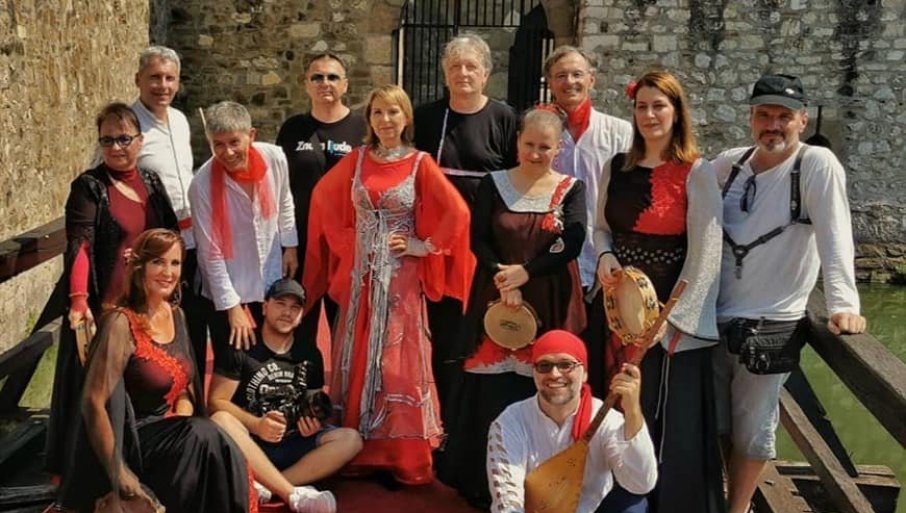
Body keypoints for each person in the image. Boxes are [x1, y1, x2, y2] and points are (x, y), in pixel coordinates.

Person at [303, 84, 474, 485]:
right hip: (361, 279)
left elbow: (458, 213)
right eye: (378, 113)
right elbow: (323, 198)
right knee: (358, 353)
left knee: (395, 362)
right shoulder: (358, 159)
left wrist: (422, 246)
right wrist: (348, 244)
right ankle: (356, 445)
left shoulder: (420, 163)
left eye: (393, 112)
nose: (385, 120)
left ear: (406, 117)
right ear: (370, 119)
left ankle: (397, 451)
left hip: (400, 279)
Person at [711, 74, 867, 513]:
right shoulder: (729, 165)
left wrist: (843, 305)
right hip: (713, 318)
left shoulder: (816, 164)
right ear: (751, 118)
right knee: (718, 423)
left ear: (802, 120)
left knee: (754, 431)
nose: (773, 125)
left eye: (784, 116)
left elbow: (836, 234)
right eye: (764, 115)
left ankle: (737, 509)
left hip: (770, 323)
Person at [593, 71, 725, 513]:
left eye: (658, 106)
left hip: (671, 318)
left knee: (663, 415)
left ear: (676, 112)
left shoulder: (696, 172)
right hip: (618, 309)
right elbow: (601, 229)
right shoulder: (616, 166)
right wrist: (604, 256)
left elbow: (706, 254)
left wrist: (670, 323)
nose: (649, 115)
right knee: (615, 403)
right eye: (641, 106)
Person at [442, 108, 587, 508]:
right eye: (529, 144)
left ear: (558, 148)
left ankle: (541, 483)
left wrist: (527, 273)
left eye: (545, 147)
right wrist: (504, 278)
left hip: (550, 297)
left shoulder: (571, 188)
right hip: (496, 293)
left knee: (543, 384)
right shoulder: (495, 183)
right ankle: (482, 482)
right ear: (517, 142)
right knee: (491, 390)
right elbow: (479, 238)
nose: (536, 153)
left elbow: (572, 242)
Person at [64, 228, 252, 512]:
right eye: (158, 262)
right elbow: (93, 402)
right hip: (130, 441)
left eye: (175, 263)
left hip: (171, 435)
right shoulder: (119, 323)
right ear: (140, 267)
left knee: (204, 435)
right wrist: (120, 472)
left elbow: (186, 388)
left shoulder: (177, 315)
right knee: (203, 436)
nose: (168, 272)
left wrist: (180, 423)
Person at [46, 103, 178, 498]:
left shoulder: (151, 182)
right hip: (109, 312)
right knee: (105, 400)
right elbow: (80, 246)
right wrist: (78, 299)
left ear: (140, 140)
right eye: (107, 140)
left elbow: (169, 236)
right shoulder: (89, 187)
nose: (117, 147)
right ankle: (104, 483)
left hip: (148, 309)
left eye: (124, 138)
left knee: (150, 391)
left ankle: (152, 469)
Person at [413, 33, 519, 437]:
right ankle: (443, 423)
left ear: (486, 74)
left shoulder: (504, 118)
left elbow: (514, 181)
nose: (463, 73)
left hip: (484, 247)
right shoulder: (426, 118)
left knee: (480, 334)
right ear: (445, 74)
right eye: (455, 66)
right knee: (443, 337)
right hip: (438, 248)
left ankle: (478, 423)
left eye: (471, 66)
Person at [209, 278, 363, 513]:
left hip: (293, 442)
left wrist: (313, 422)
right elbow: (215, 402)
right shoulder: (243, 346)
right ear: (264, 307)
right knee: (220, 419)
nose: (287, 313)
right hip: (250, 444)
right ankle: (291, 493)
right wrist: (257, 424)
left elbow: (314, 403)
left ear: (301, 315)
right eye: (280, 304)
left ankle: (269, 484)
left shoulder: (309, 353)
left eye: (295, 308)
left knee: (351, 439)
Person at [543, 46, 633, 396]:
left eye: (577, 74)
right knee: (559, 350)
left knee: (601, 354)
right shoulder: (542, 133)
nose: (570, 81)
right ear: (550, 83)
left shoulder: (619, 132)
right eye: (560, 76)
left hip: (605, 258)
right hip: (556, 259)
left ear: (592, 80)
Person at [486, 330, 658, 513]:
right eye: (544, 366)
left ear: (584, 374)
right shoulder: (510, 422)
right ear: (534, 373)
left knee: (633, 507)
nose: (554, 374)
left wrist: (632, 411)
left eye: (566, 365)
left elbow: (641, 484)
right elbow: (507, 502)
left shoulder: (606, 419)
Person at [189, 101, 298, 363]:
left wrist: (290, 246)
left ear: (251, 135)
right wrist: (232, 307)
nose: (227, 152)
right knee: (232, 364)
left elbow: (284, 201)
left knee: (274, 360)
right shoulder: (201, 185)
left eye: (234, 142)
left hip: (270, 275)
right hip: (229, 282)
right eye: (218, 144)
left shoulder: (275, 157)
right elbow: (210, 253)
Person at [276, 53, 365, 345]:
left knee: (348, 329)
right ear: (306, 84)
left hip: (348, 247)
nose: (325, 83)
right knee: (300, 326)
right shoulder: (292, 129)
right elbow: (280, 190)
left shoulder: (363, 129)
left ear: (346, 84)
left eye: (332, 77)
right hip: (302, 244)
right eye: (317, 77)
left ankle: (344, 377)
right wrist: (287, 245)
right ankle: (305, 375)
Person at [131, 45, 208, 382]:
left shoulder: (179, 120)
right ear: (138, 79)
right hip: (152, 244)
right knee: (153, 326)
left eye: (169, 78)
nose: (162, 85)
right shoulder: (128, 125)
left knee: (190, 322)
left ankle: (192, 395)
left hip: (189, 240)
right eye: (154, 77)